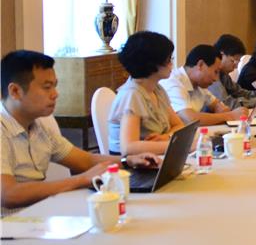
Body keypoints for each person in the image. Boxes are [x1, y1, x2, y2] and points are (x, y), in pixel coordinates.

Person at [1, 51, 159, 211]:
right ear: (15, 91)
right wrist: (82, 179)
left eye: (55, 86)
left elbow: (86, 160)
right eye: (47, 87)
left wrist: (128, 161)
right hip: (10, 223)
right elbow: (8, 194)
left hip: (37, 214)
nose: (55, 94)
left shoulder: (39, 125)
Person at [108, 31, 187, 155]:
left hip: (155, 156)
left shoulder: (157, 89)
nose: (171, 64)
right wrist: (176, 145)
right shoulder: (131, 95)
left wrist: (166, 137)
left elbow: (179, 125)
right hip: (132, 164)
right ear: (152, 63)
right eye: (168, 60)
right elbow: (129, 147)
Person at [161, 44, 247, 126]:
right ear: (200, 65)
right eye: (215, 72)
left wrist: (223, 111)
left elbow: (218, 106)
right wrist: (230, 115)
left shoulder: (199, 85)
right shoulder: (173, 82)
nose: (216, 79)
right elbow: (189, 119)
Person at [209, 34, 256, 109]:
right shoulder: (211, 76)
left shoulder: (224, 75)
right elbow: (227, 104)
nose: (236, 66)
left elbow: (240, 92)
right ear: (221, 55)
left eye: (238, 61)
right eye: (233, 61)